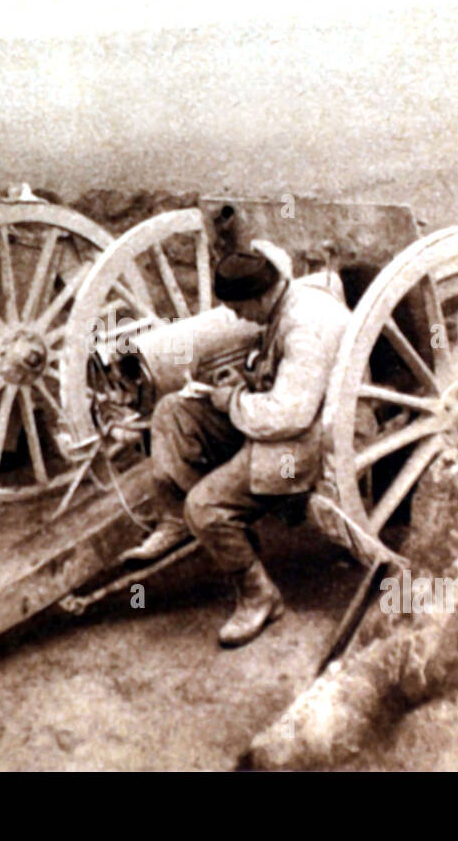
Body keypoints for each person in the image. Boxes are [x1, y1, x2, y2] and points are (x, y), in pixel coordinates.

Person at [120, 248, 351, 647]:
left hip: (308, 442)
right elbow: (279, 380)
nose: (238, 317)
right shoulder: (280, 304)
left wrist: (233, 402)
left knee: (205, 506)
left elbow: (290, 415)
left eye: (239, 308)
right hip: (277, 417)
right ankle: (178, 520)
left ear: (261, 296)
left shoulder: (306, 325)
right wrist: (243, 380)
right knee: (171, 412)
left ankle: (260, 595)